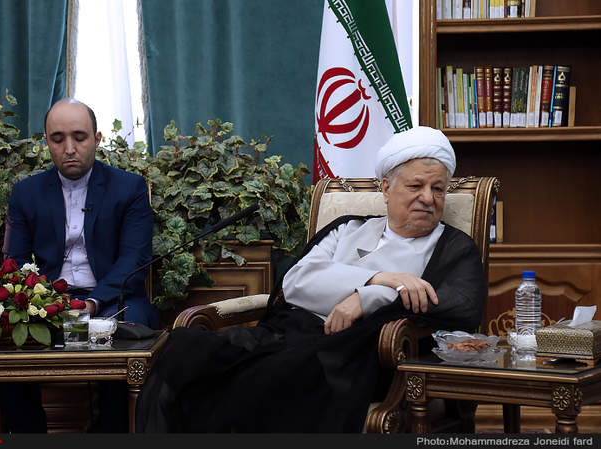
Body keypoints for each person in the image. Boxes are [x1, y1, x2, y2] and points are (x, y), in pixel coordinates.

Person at [134, 126, 487, 432]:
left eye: (438, 189)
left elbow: (460, 305)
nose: (428, 198)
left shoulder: (452, 247)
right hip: (288, 332)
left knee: (265, 379)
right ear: (386, 188)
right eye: (416, 186)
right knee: (185, 349)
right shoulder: (348, 228)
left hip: (351, 354)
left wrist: (366, 299)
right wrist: (381, 279)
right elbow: (297, 283)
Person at [0, 98, 160, 433]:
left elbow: (134, 259)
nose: (69, 148)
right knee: (0, 344)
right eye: (58, 139)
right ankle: (30, 432)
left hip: (114, 300)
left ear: (97, 139)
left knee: (133, 337)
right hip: (45, 302)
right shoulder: (26, 193)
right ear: (46, 142)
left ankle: (110, 432)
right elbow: (14, 263)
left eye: (79, 137)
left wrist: (91, 303)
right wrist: (48, 303)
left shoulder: (129, 188)